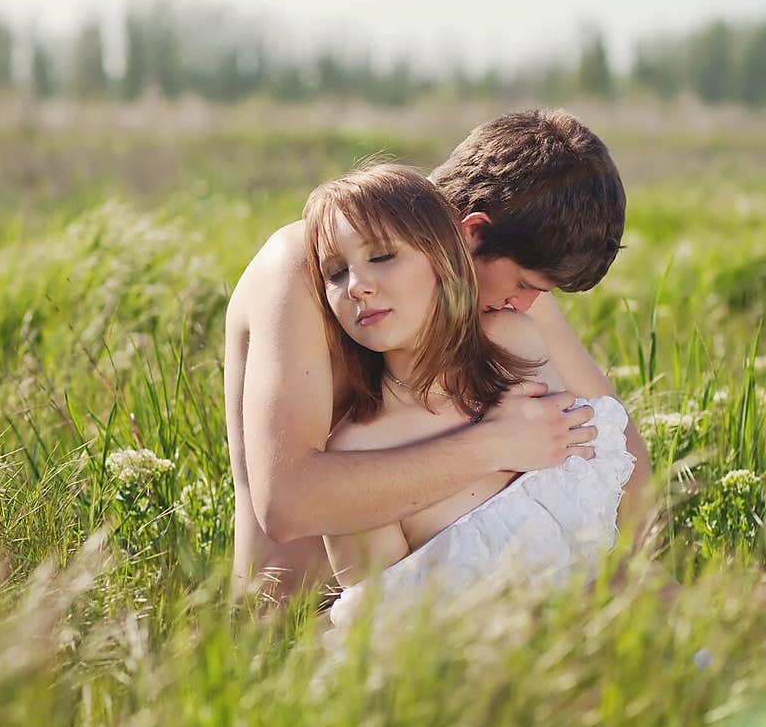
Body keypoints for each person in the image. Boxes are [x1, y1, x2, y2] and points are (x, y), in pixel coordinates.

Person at [224, 109, 653, 604]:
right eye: (524, 286)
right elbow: (287, 502)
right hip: (304, 626)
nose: (526, 304)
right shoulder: (307, 266)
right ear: (472, 235)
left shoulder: (497, 298)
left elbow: (617, 441)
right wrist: (496, 446)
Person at [302, 162, 636, 632]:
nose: (356, 286)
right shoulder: (357, 451)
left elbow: (597, 529)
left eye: (381, 257)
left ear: (444, 258)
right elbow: (386, 640)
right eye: (336, 273)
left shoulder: (514, 347)